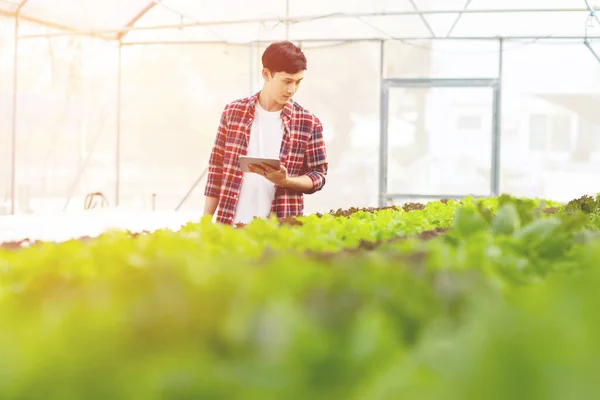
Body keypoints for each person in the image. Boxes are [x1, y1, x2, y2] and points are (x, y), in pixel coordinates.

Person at [203, 41, 328, 225]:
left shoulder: (308, 123)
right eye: (287, 81)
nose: (291, 90)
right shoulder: (233, 113)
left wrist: (286, 181)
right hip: (229, 227)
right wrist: (205, 224)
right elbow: (216, 170)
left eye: (298, 82)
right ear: (266, 74)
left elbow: (319, 175)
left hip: (280, 231)